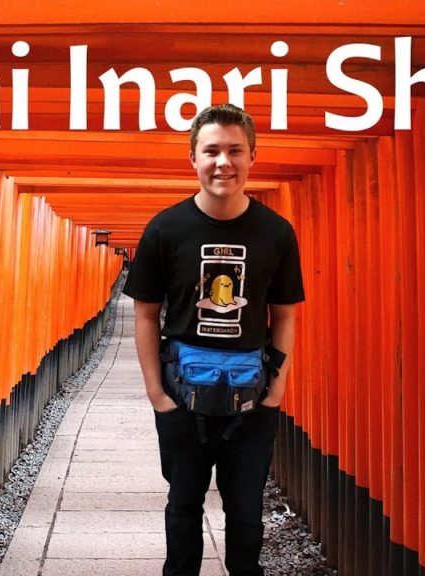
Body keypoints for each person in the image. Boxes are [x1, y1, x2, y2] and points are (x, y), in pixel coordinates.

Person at [122, 104, 305, 576]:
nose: (223, 162)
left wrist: (277, 391)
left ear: (252, 157)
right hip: (182, 400)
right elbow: (146, 315)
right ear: (193, 158)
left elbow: (285, 314)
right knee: (183, 507)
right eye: (211, 151)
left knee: (246, 515)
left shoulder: (276, 233)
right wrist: (157, 394)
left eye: (235, 151)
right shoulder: (165, 229)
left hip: (252, 401)